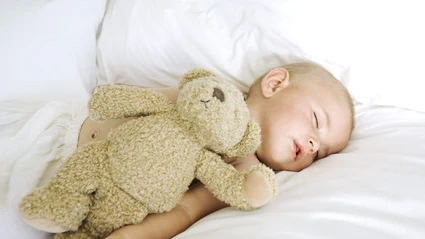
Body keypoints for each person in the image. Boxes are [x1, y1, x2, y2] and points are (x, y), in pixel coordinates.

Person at [6, 61, 354, 238]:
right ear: (275, 83)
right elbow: (144, 102)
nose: (312, 143)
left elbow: (187, 211)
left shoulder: (242, 174)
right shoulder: (211, 93)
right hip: (57, 139)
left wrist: (133, 236)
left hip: (90, 201)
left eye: (320, 152)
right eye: (315, 121)